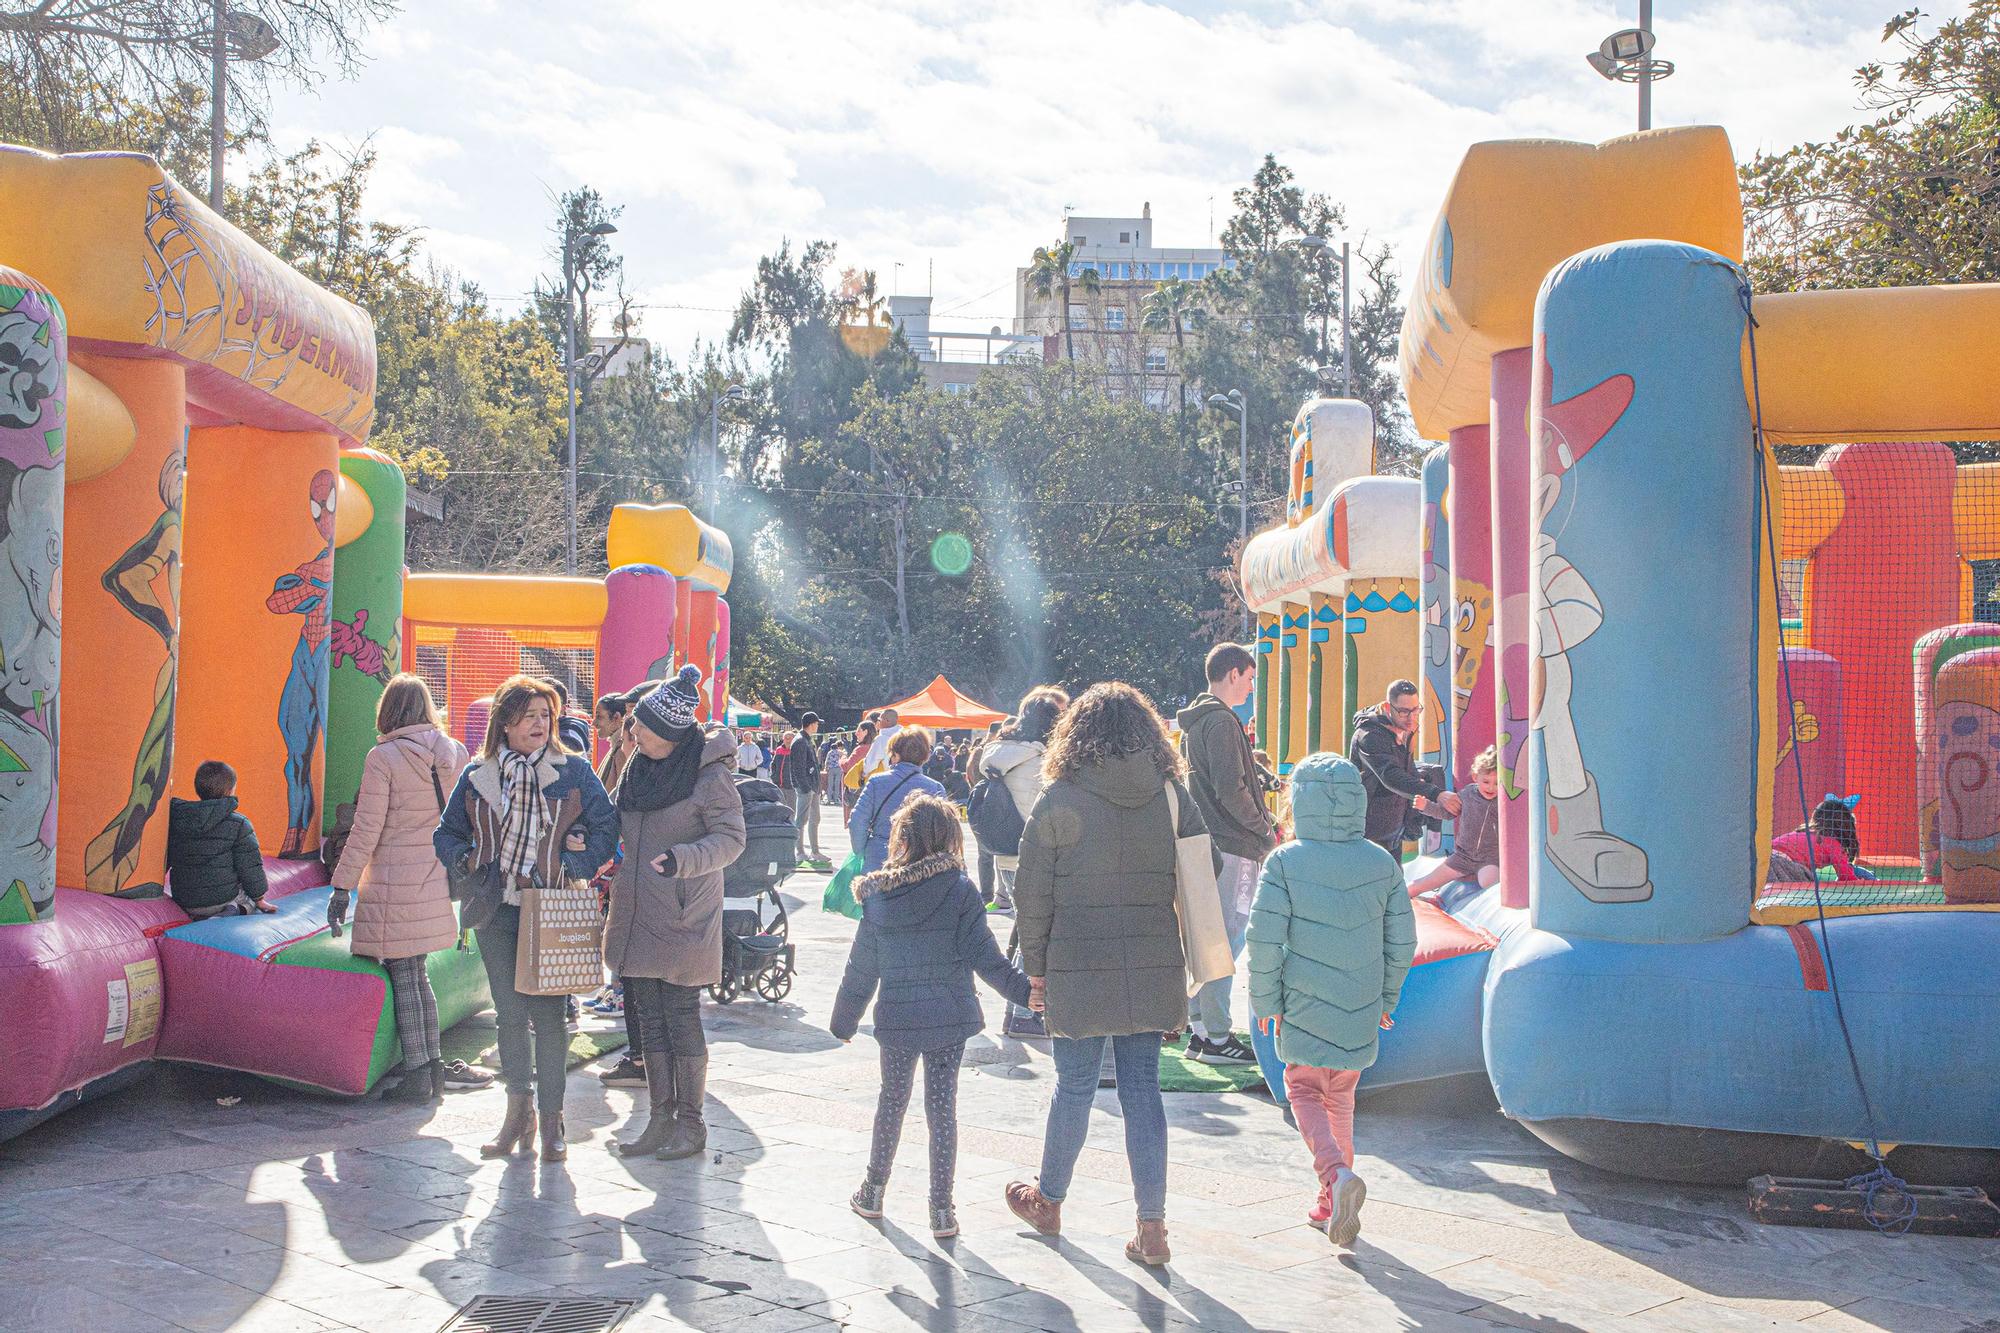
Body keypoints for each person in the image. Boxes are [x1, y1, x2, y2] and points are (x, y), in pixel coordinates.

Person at [1005, 683, 1205, 1268]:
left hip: (1075, 962)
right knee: (1143, 1090)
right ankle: (1152, 1227)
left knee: (1074, 1085)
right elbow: (1204, 865)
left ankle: (1048, 1198)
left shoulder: (1061, 795)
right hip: (1152, 961)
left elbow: (1031, 892)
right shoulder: (1171, 794)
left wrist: (1035, 969)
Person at [434, 675, 619, 1163]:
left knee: (549, 1018)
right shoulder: (479, 776)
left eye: (546, 716)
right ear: (506, 721)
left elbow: (606, 828)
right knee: (509, 1016)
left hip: (552, 906)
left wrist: (575, 863)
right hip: (496, 909)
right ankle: (518, 1116)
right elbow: (445, 835)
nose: (540, 724)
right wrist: (468, 860)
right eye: (530, 715)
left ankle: (553, 1118)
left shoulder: (574, 772)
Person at [831, 795, 1031, 1239]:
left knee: (891, 1103)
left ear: (902, 839)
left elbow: (861, 967)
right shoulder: (960, 891)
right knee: (942, 1111)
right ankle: (942, 1211)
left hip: (898, 1020)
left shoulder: (878, 894)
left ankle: (872, 1192)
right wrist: (1026, 995)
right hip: (947, 1018)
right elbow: (988, 959)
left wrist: (844, 1021)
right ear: (949, 839)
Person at [1247, 752, 1416, 1248]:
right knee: (1341, 1095)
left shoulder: (1285, 861)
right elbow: (1401, 941)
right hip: (1362, 1000)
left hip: (1302, 998)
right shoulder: (1382, 862)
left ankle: (1335, 1177)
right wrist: (1387, 996)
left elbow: (1263, 940)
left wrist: (1265, 1001)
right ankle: (1329, 1203)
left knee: (1301, 1088)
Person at [604, 665, 748, 1162]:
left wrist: (685, 860)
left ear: (667, 732)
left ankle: (692, 1124)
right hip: (638, 907)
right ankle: (659, 1119)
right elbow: (616, 818)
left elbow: (732, 840)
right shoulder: (637, 767)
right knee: (648, 1018)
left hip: (685, 913)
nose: (632, 730)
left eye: (641, 725)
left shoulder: (709, 777)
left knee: (681, 1017)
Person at [327, 675, 489, 1103]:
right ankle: (431, 1067)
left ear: (388, 710)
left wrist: (342, 885)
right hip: (435, 875)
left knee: (404, 973)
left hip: (395, 879)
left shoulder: (384, 758)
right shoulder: (453, 753)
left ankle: (419, 1073)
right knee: (416, 972)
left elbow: (366, 828)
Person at [1176, 644, 1279, 1066]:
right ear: (1233, 674)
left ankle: (1202, 1029)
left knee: (1209, 938)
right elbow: (1232, 789)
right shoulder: (1220, 721)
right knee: (1226, 940)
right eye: (1251, 678)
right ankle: (1216, 1036)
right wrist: (1266, 829)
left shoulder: (1197, 721)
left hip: (1211, 842)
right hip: (1233, 845)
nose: (1252, 687)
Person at [978, 689, 1070, 912]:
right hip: (1042, 856)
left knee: (1024, 920)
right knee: (1040, 926)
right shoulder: (1045, 761)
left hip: (1007, 855)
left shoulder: (998, 754)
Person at [1350, 679, 1461, 857]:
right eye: (1403, 712)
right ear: (1388, 707)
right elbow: (1391, 776)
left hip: (1393, 830)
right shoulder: (1368, 736)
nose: (1411, 718)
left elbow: (1407, 771)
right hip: (1369, 833)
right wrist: (1435, 793)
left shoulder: (1404, 728)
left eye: (1415, 710)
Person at [167, 761, 276, 919]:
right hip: (221, 900)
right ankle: (233, 910)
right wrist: (259, 899)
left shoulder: (179, 819)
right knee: (249, 901)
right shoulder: (239, 824)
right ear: (231, 790)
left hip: (185, 900)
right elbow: (250, 866)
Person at [1404, 745, 1502, 897]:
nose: (1491, 787)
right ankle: (1397, 900)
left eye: (1497, 783)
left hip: (1490, 859)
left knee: (1489, 884)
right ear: (1476, 777)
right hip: (1462, 857)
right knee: (1420, 884)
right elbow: (1447, 813)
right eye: (1486, 781)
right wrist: (1427, 806)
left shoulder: (1503, 802)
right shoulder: (1468, 794)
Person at [849, 727, 946, 874]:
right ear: (925, 756)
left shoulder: (876, 782)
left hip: (879, 860)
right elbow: (943, 832)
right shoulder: (936, 788)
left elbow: (857, 820)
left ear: (894, 754)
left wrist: (861, 850)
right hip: (919, 864)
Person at [1772, 794, 1876, 883]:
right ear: (1847, 826)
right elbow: (1846, 876)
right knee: (1808, 888)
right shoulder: (1832, 843)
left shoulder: (1803, 833)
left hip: (1763, 859)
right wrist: (1859, 884)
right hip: (1783, 865)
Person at [785, 712, 825, 865]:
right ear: (811, 723)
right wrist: (806, 787)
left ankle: (815, 851)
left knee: (815, 818)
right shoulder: (800, 741)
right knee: (801, 820)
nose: (818, 725)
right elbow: (797, 768)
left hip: (812, 786)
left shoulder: (806, 740)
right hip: (806, 787)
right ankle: (800, 851)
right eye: (816, 723)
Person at [594, 693, 635, 790]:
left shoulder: (622, 751)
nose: (594, 723)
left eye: (599, 717)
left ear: (616, 717)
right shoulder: (616, 747)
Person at [842, 721, 879, 819]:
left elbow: (847, 766)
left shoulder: (860, 749)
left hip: (859, 790)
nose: (856, 733)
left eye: (859, 730)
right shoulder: (877, 748)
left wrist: (842, 759)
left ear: (866, 732)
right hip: (875, 791)